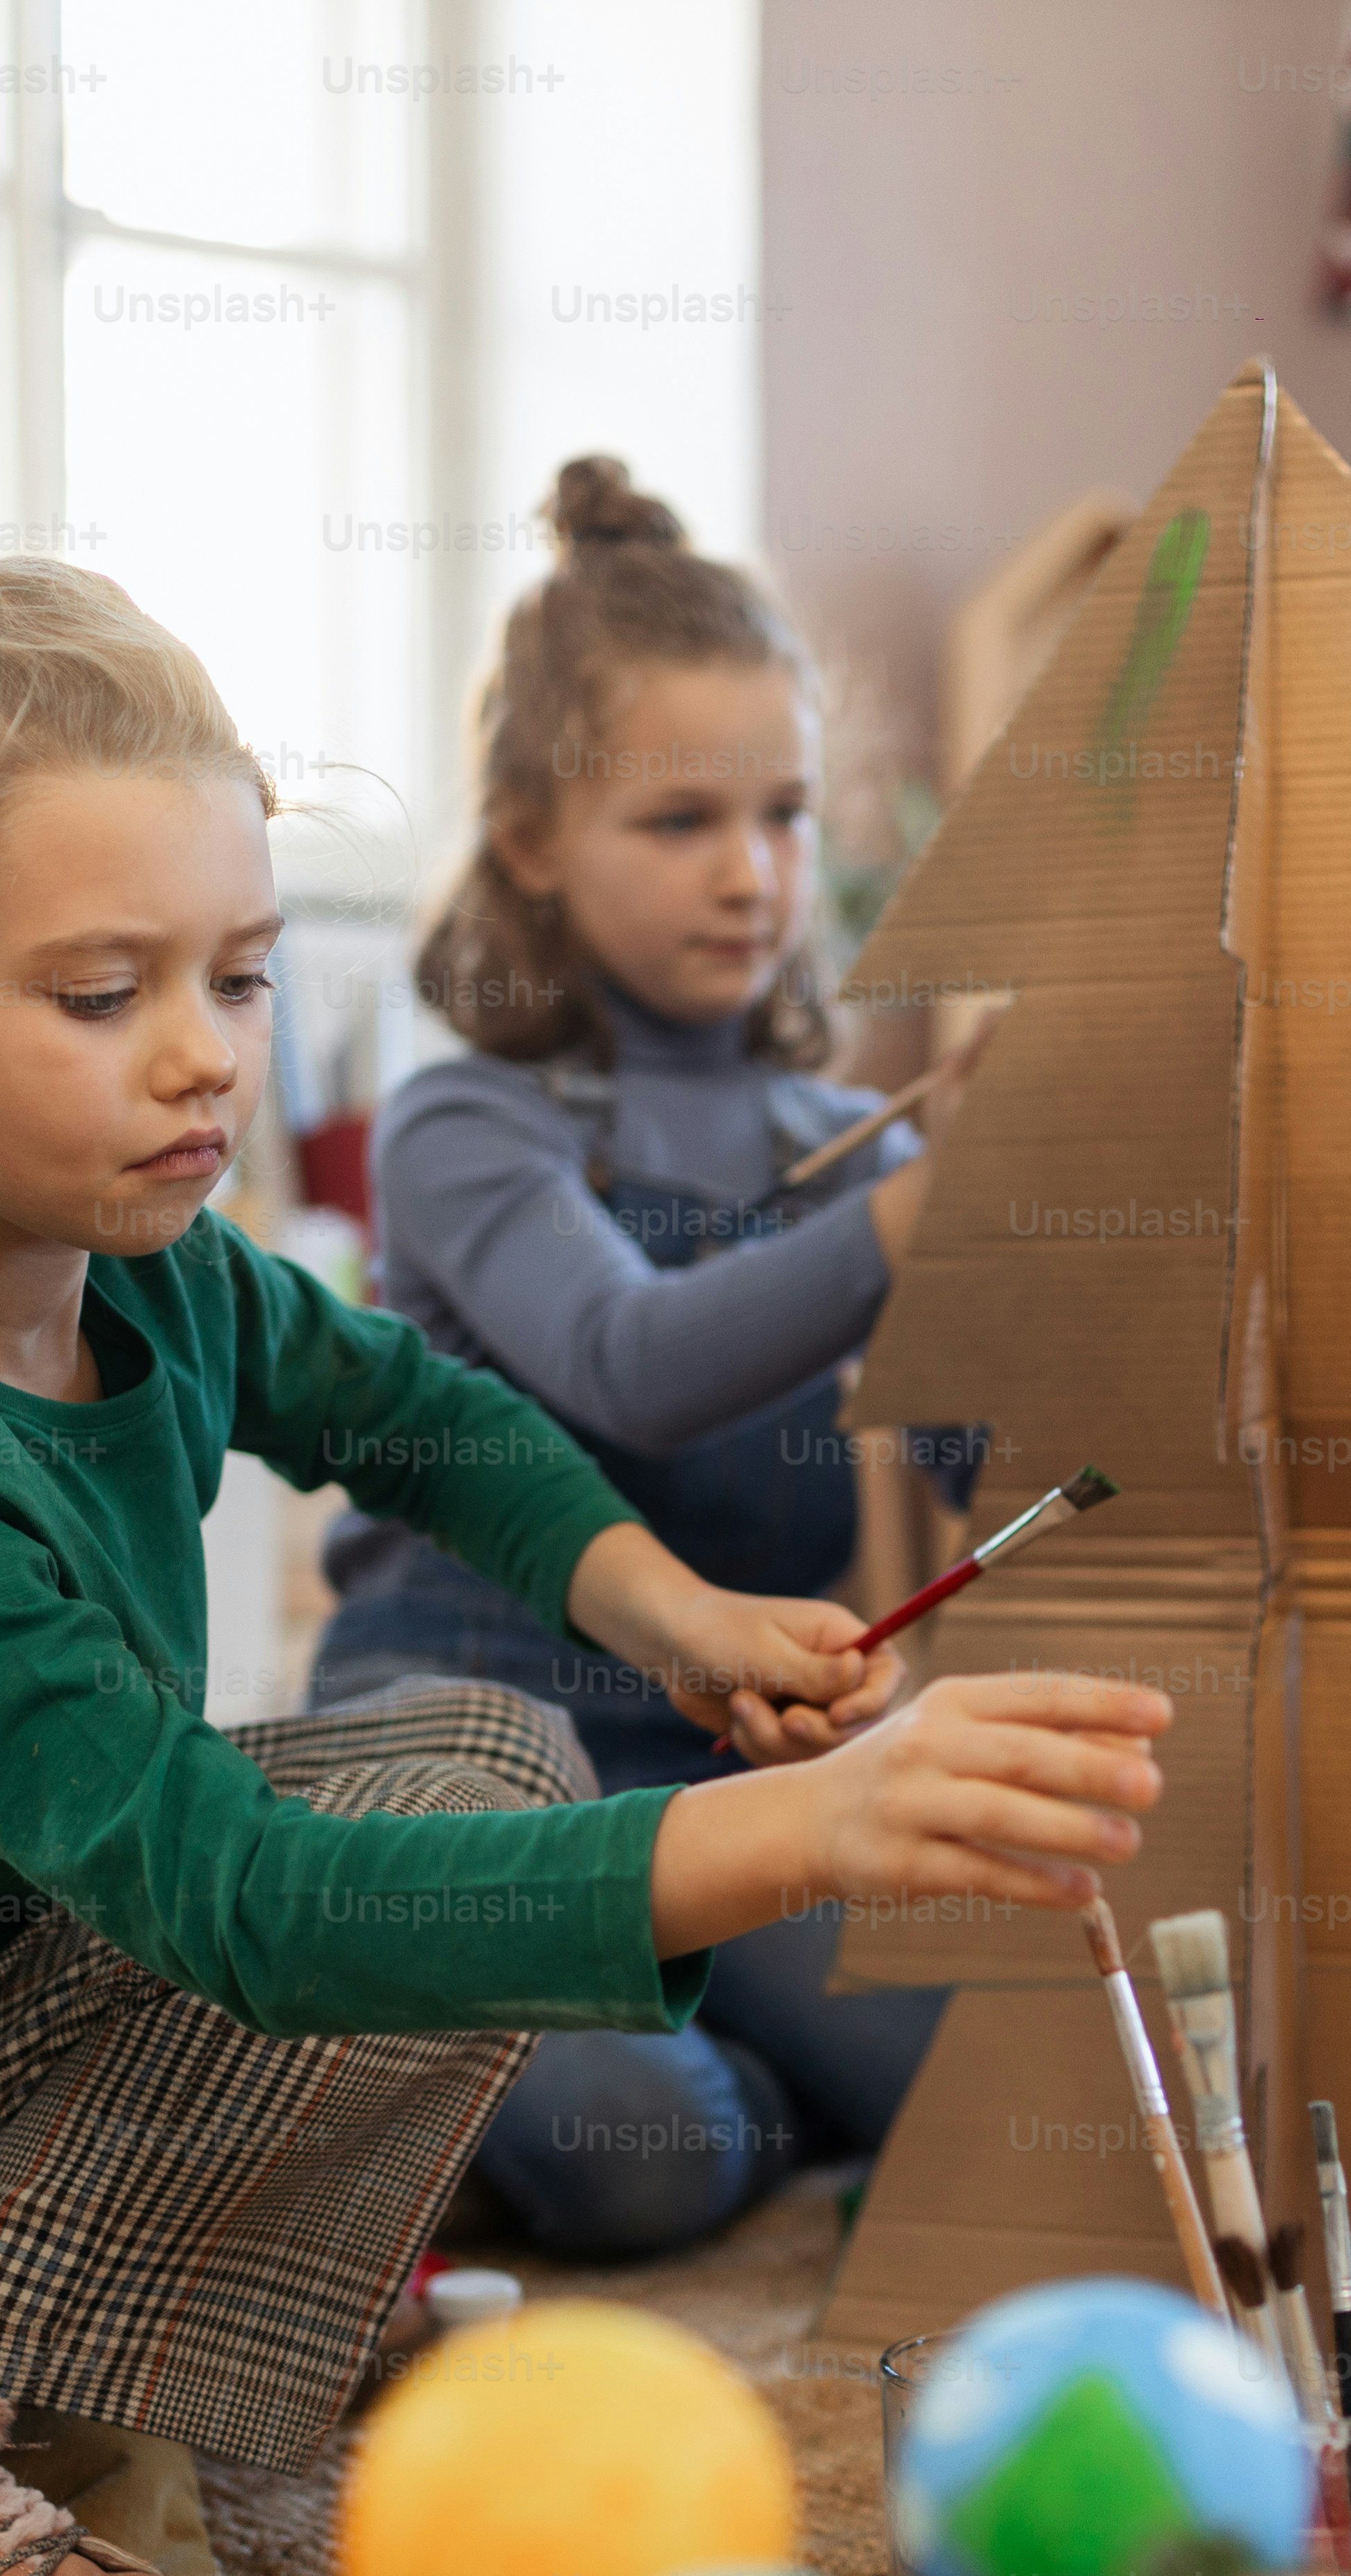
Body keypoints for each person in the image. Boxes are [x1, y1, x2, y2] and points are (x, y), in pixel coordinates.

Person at [0, 556, 1165, 2576]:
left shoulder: (139, 1258)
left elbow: (413, 1411)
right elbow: (242, 1908)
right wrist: (802, 1826)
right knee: (375, 1844)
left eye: (235, 977)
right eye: (97, 990)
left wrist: (672, 1609)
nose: (203, 1056)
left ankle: (163, 2372)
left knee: (489, 1741)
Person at [311, 457, 965, 2262]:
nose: (754, 875)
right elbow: (631, 1358)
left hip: (733, 1771)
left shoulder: (860, 1136)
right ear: (529, 834)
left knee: (991, 2083)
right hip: (468, 1750)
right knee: (640, 2154)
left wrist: (1073, 1271)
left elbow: (995, 1457)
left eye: (786, 814)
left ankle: (659, 2042)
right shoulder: (465, 1123)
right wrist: (904, 1228)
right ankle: (591, 2065)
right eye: (682, 819)